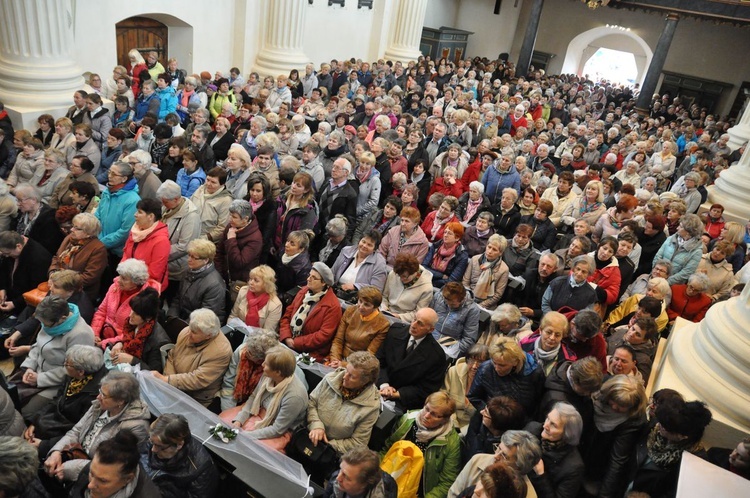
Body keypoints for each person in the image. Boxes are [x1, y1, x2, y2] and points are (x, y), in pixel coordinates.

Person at [44, 371, 151, 484]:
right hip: (77, 454)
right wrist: (56, 452)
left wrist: (73, 467)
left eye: (104, 395)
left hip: (96, 476)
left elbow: (113, 465)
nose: (98, 397)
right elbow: (76, 431)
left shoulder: (135, 427)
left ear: (120, 401)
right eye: (100, 391)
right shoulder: (99, 405)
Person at [23, 345, 106, 454]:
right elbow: (57, 400)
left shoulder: (97, 396)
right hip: (54, 425)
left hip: (65, 437)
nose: (64, 365)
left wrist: (44, 445)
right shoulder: (74, 376)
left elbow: (81, 431)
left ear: (81, 372)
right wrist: (35, 422)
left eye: (67, 364)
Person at [380, 391, 461, 498]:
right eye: (427, 409)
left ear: (444, 419)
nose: (426, 416)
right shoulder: (407, 420)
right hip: (391, 478)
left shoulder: (451, 442)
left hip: (421, 492)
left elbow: (447, 482)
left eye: (434, 415)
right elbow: (386, 450)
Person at [223, 346, 307, 447]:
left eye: (266, 364)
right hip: (259, 413)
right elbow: (253, 398)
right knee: (226, 421)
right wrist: (239, 420)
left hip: (279, 431)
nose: (262, 365)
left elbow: (278, 429)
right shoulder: (268, 375)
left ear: (278, 372)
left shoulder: (295, 397)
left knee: (248, 446)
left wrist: (245, 435)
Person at [579, 375, 648, 498]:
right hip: (580, 456)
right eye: (613, 401)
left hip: (598, 470)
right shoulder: (597, 394)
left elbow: (617, 461)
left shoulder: (633, 421)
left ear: (633, 406)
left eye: (622, 406)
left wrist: (604, 495)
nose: (614, 407)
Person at [307, 351, 381, 456]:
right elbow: (312, 402)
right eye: (346, 370)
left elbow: (358, 443)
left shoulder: (371, 406)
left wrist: (327, 446)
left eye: (352, 376)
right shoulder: (330, 379)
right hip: (307, 434)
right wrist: (316, 425)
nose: (345, 377)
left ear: (365, 382)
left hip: (331, 454)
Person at [376, 308, 447, 411]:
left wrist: (397, 394)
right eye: (414, 319)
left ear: (430, 330)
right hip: (379, 384)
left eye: (420, 324)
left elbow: (426, 388)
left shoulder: (436, 355)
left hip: (403, 400)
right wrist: (384, 385)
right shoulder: (395, 331)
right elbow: (379, 361)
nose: (413, 325)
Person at [140, 413, 219, 498]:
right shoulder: (156, 440)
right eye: (152, 442)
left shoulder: (200, 469)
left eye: (160, 447)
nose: (153, 450)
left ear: (179, 445)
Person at [67, 429, 161, 498]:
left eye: (103, 481)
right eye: (91, 474)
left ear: (128, 479)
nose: (90, 485)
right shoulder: (99, 469)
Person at [448, 430, 541, 498]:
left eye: (504, 456)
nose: (496, 456)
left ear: (519, 467)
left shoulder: (528, 495)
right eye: (498, 448)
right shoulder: (478, 460)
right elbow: (453, 493)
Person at [279, 262, 342, 362]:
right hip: (288, 341)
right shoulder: (303, 291)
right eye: (309, 275)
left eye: (314, 278)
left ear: (324, 283)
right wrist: (286, 336)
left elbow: (323, 335)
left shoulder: (333, 306)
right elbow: (287, 315)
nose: (308, 279)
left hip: (311, 354)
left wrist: (296, 343)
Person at [468, 336, 544, 415]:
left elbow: (539, 403)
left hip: (523, 422)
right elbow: (474, 396)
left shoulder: (534, 372)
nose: (496, 368)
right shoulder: (485, 369)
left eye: (502, 365)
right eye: (494, 363)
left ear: (515, 362)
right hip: (493, 419)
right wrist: (489, 413)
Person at [93, 259, 160, 348]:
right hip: (102, 335)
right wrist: (95, 333)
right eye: (120, 276)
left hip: (121, 344)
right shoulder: (114, 287)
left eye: (124, 278)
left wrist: (106, 343)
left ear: (136, 282)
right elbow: (101, 312)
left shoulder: (144, 301)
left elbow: (134, 331)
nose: (119, 280)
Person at [526, 402, 586, 498]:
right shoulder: (532, 430)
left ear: (567, 434)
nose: (545, 425)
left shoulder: (574, 467)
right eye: (548, 418)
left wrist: (541, 475)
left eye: (553, 425)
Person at [157, 180, 202, 297]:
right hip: (163, 265)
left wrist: (160, 254)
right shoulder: (167, 208)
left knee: (171, 297)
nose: (163, 204)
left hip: (176, 269)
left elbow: (184, 246)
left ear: (176, 199)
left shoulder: (191, 217)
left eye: (165, 202)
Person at [50, 212, 108, 302]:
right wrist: (52, 273)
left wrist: (61, 283)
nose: (72, 229)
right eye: (73, 226)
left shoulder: (98, 249)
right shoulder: (69, 238)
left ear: (89, 233)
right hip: (57, 284)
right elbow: (56, 258)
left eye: (77, 228)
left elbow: (89, 277)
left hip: (79, 292)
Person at [109, 288, 169, 373]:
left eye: (136, 314)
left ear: (148, 317)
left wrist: (132, 360)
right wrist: (119, 343)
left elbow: (155, 373)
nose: (130, 315)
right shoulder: (133, 325)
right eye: (131, 310)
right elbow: (127, 341)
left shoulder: (158, 341)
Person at [328, 287, 390, 367]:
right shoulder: (350, 311)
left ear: (375, 307)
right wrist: (335, 359)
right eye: (360, 301)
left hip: (358, 366)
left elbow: (368, 355)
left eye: (366, 305)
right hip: (339, 358)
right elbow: (338, 340)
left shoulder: (382, 324)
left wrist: (343, 365)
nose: (360, 306)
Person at [121, 198, 171, 290]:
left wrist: (131, 281)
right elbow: (126, 254)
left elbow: (154, 272)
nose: (135, 215)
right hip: (128, 283)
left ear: (150, 216)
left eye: (140, 212)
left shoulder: (161, 241)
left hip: (146, 289)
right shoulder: (135, 231)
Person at [96, 161, 141, 259]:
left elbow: (125, 231)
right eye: (109, 172)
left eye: (114, 174)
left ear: (124, 179)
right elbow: (97, 215)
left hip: (117, 253)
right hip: (99, 244)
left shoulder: (133, 200)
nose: (109, 176)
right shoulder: (107, 192)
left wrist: (102, 242)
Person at [0, 231, 52, 316]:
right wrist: (2, 288)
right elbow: (4, 271)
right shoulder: (11, 251)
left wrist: (15, 303)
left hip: (25, 305)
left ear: (19, 246)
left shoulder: (38, 258)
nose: (6, 256)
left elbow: (35, 289)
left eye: (8, 254)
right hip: (12, 296)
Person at [443, 344, 490, 428]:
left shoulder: (489, 382)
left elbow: (482, 415)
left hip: (472, 425)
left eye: (480, 362)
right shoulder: (453, 372)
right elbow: (444, 400)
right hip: (449, 420)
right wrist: (453, 425)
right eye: (471, 360)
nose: (474, 366)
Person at [323, 447, 398, 498]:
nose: (338, 478)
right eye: (340, 469)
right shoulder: (337, 479)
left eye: (346, 477)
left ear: (364, 484)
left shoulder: (386, 493)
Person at [431, 283, 481, 359]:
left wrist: (453, 351)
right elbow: (428, 315)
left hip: (451, 343)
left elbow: (469, 339)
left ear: (462, 299)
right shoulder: (438, 296)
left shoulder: (472, 310)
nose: (449, 305)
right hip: (431, 334)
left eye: (453, 304)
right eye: (446, 302)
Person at [520, 311, 577, 377]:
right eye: (549, 332)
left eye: (557, 335)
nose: (552, 338)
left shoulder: (568, 360)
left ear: (562, 336)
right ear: (541, 330)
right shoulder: (524, 345)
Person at [380, 253, 434, 322]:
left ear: (415, 272)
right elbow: (384, 296)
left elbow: (418, 314)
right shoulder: (393, 274)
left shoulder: (427, 288)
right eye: (399, 276)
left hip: (405, 320)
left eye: (405, 276)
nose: (401, 279)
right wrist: (384, 307)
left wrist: (399, 316)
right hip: (386, 312)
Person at [654, 213, 704, 285]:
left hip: (672, 285)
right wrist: (656, 272)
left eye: (680, 227)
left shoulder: (696, 251)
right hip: (655, 276)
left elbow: (686, 272)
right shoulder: (671, 238)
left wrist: (666, 282)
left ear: (688, 231)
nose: (677, 228)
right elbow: (658, 256)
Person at [463, 233, 509, 310]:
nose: (490, 251)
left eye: (494, 249)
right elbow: (465, 282)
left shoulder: (504, 269)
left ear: (500, 253)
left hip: (485, 305)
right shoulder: (475, 259)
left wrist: (479, 306)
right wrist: (468, 300)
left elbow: (497, 295)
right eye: (489, 247)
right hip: (467, 298)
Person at [191, 166, 233, 242]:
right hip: (190, 232)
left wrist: (205, 238)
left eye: (213, 182)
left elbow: (222, 227)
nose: (208, 184)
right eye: (207, 180)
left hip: (207, 240)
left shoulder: (226, 200)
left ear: (222, 184)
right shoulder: (200, 189)